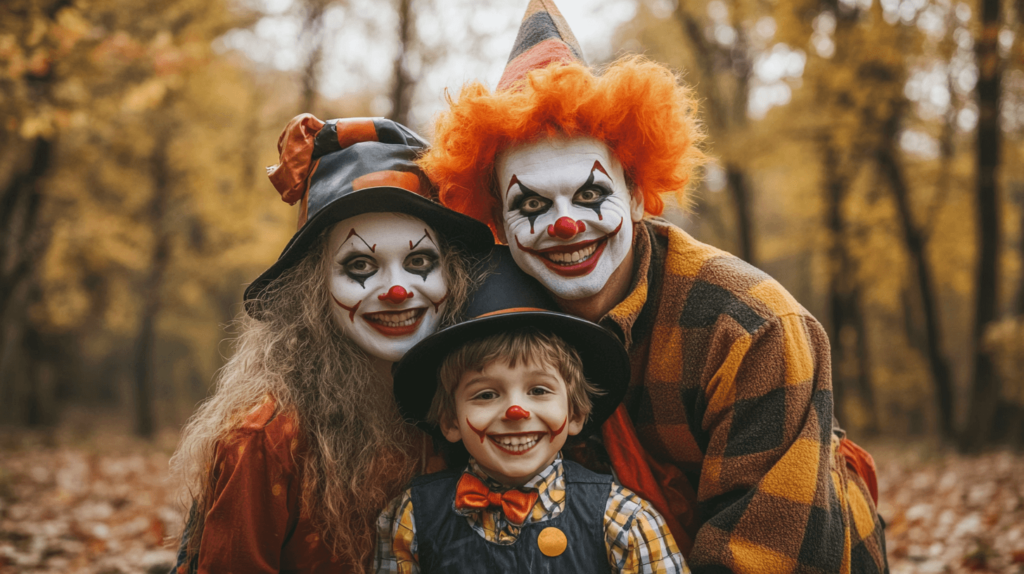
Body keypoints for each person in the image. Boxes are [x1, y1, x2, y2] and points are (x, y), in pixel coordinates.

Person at [417, 0, 888, 571]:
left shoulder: (751, 328)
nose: (566, 224)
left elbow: (766, 558)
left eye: (591, 195)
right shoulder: (490, 317)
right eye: (532, 204)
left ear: (637, 194)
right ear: (498, 220)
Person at [167, 114, 493, 573]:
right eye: (360, 266)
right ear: (313, 291)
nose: (397, 290)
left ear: (453, 277)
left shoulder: (470, 408)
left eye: (419, 260)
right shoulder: (266, 438)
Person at [376, 247, 688, 573]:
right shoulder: (413, 518)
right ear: (450, 420)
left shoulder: (625, 521)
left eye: (538, 390)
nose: (516, 411)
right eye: (485, 394)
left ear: (576, 413)